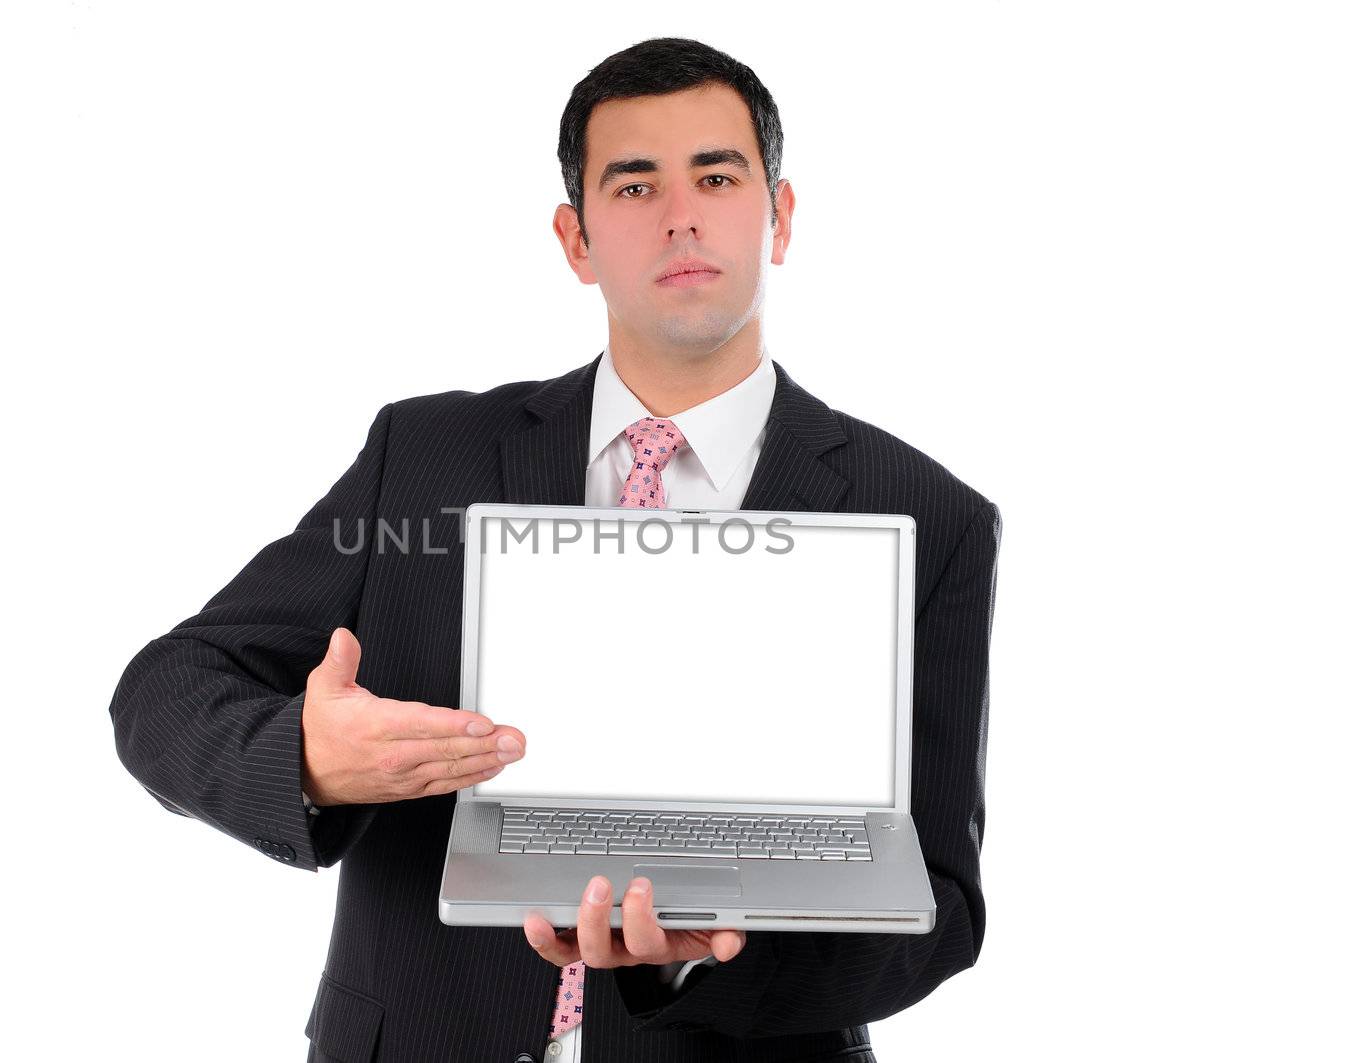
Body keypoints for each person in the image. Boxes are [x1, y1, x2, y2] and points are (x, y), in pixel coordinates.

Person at [109, 36, 1002, 1063]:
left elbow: (938, 907)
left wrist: (695, 957)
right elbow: (168, 688)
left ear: (779, 216)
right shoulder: (427, 459)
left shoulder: (928, 516)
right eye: (634, 186)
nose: (681, 214)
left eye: (717, 176)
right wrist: (306, 759)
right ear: (576, 241)